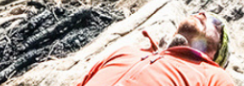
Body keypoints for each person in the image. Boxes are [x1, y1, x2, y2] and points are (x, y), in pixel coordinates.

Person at [76, 11, 234, 86]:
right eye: (199, 12)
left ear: (216, 54)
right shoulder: (128, 51)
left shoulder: (214, 77)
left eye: (215, 23)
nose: (202, 14)